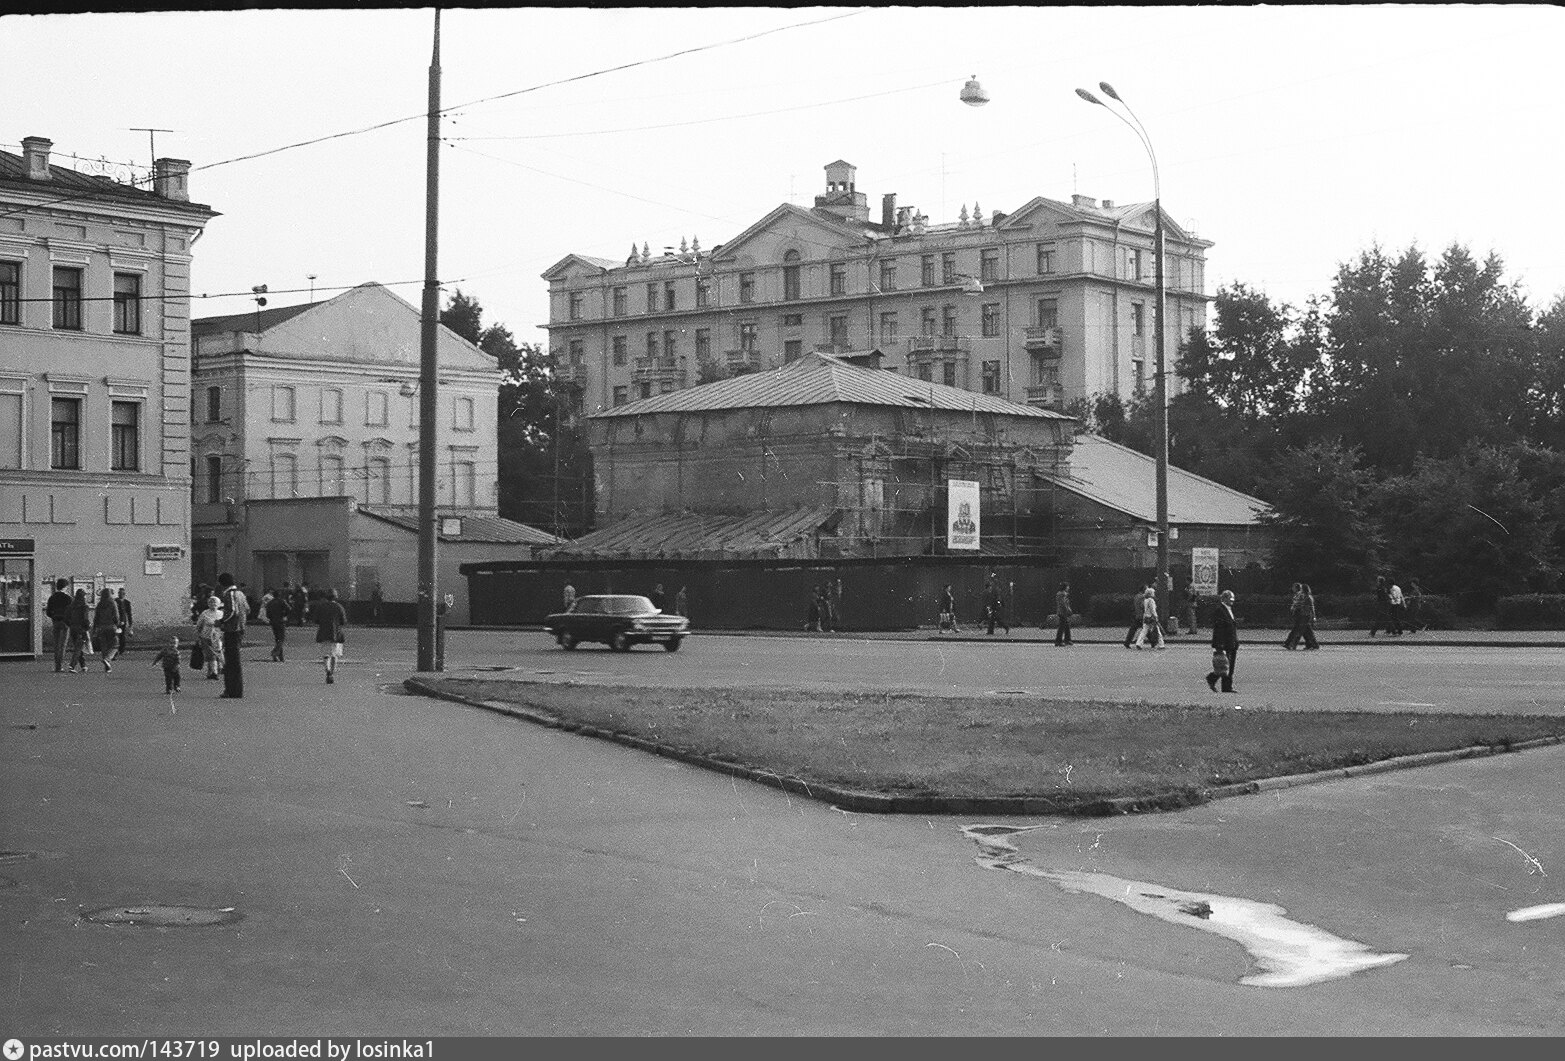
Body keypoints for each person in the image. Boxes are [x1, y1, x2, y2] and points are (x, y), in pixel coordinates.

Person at [217, 573, 247, 698]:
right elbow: (246, 609)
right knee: (235, 662)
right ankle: (235, 690)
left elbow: (232, 612)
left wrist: (222, 620)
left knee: (230, 662)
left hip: (232, 630)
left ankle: (231, 690)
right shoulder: (240, 594)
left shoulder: (230, 594)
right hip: (239, 629)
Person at [312, 587, 348, 684]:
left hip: (323, 633)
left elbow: (316, 620)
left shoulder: (321, 606)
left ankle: (327, 670)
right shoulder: (339, 607)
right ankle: (332, 672)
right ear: (335, 597)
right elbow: (343, 621)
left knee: (325, 654)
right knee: (334, 655)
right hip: (336, 633)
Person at [1206, 589, 1239, 693]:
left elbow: (1232, 627)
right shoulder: (1220, 610)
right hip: (1224, 642)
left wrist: (1236, 641)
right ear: (1224, 599)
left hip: (1231, 641)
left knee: (1230, 665)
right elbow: (1219, 629)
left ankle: (1226, 687)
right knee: (1225, 665)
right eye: (1230, 598)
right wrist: (1219, 644)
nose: (1232, 601)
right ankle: (1213, 679)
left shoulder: (1229, 609)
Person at [195, 595, 225, 680]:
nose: (213, 604)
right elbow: (199, 625)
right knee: (210, 655)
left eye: (215, 602)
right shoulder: (205, 613)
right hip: (206, 636)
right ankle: (214, 672)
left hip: (218, 637)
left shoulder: (221, 614)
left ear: (219, 604)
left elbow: (225, 625)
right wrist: (198, 636)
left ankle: (212, 672)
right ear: (208, 604)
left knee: (216, 653)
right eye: (211, 602)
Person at [46, 578, 73, 673]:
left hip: (56, 622)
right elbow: (71, 612)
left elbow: (48, 612)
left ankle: (57, 665)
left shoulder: (52, 598)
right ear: (65, 587)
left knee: (56, 644)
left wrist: (54, 616)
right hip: (65, 623)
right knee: (63, 645)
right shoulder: (68, 598)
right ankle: (60, 665)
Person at [92, 588, 121, 672]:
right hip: (111, 626)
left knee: (104, 646)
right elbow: (116, 616)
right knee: (115, 645)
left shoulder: (100, 604)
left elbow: (96, 618)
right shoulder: (112, 603)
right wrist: (118, 624)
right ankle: (107, 659)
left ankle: (107, 666)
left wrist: (95, 628)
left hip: (101, 627)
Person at [66, 589, 91, 673]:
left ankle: (83, 665)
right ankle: (72, 666)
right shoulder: (84, 607)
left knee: (78, 647)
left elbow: (66, 618)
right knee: (78, 648)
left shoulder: (70, 606)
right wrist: (87, 627)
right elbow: (85, 619)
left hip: (73, 629)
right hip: (81, 629)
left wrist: (71, 625)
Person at [264, 587, 289, 661]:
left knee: (277, 638)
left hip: (273, 621)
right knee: (281, 638)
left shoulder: (270, 603)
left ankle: (280, 656)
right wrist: (284, 614)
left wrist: (271, 617)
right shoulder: (282, 601)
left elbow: (267, 614)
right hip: (280, 621)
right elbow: (289, 609)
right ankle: (275, 652)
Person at [115, 588, 134, 657]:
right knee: (116, 635)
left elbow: (129, 614)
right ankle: (115, 649)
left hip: (123, 622)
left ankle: (121, 649)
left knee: (122, 636)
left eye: (123, 593)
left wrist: (130, 624)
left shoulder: (127, 603)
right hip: (116, 622)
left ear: (124, 594)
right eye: (120, 593)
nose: (121, 595)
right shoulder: (115, 601)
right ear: (118, 594)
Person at [1054, 582, 1073, 646]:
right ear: (1065, 587)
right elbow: (1064, 604)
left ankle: (1067, 639)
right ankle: (1059, 641)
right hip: (1063, 612)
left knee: (1066, 626)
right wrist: (1068, 610)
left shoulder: (1060, 594)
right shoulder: (1063, 594)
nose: (1068, 588)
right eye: (1068, 586)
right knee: (1062, 627)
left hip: (1061, 612)